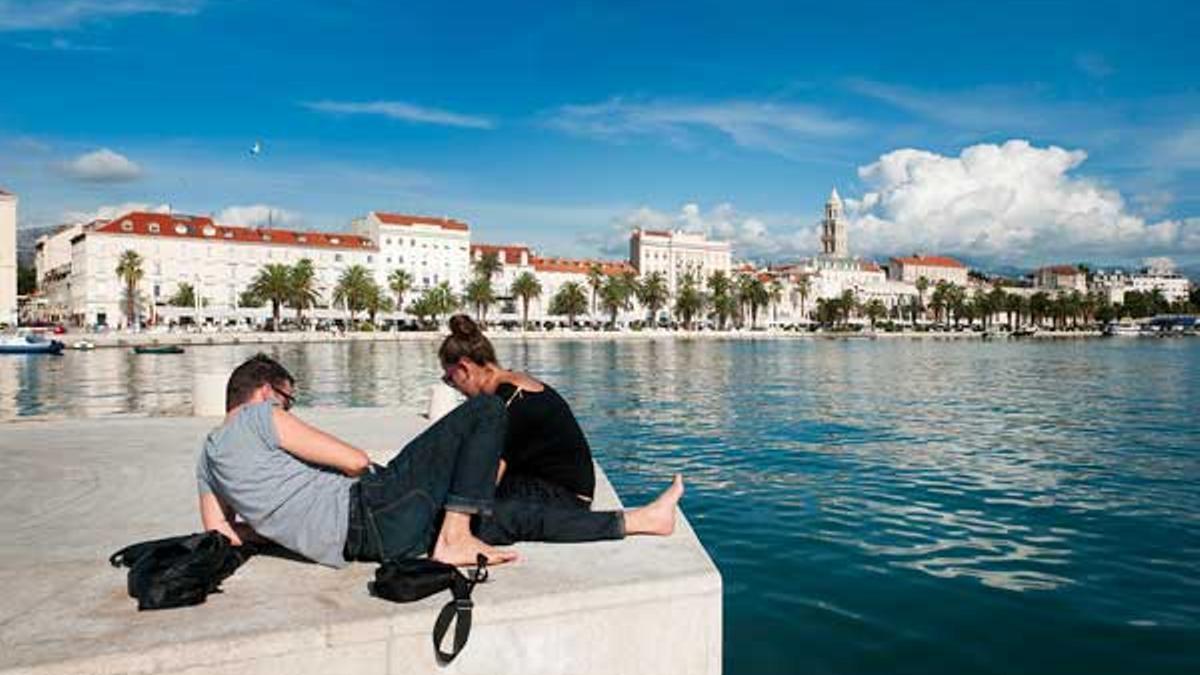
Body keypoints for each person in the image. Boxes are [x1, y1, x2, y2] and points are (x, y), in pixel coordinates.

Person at [196, 354, 683, 568]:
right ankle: (454, 539)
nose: (287, 407)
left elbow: (223, 533)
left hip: (363, 543)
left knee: (495, 515)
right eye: (287, 399)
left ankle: (639, 520)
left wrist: (283, 525)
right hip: (369, 508)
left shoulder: (208, 456)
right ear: (264, 392)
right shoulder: (260, 416)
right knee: (487, 410)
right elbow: (352, 460)